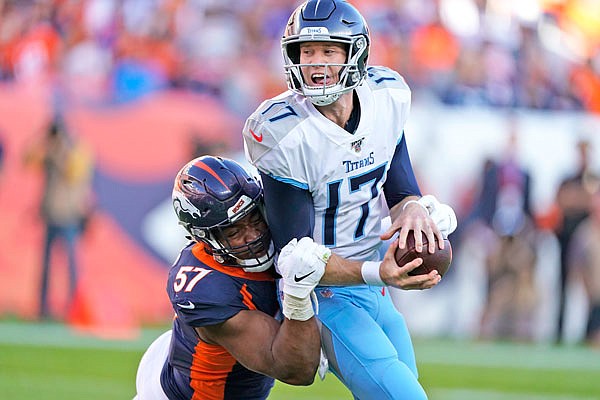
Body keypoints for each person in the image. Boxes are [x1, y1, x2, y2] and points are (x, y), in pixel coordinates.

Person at [242, 1, 457, 399]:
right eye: (307, 51)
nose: (316, 63)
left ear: (354, 53)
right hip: (326, 291)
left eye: (328, 51)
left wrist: (412, 209)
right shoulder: (285, 132)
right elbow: (297, 258)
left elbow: (400, 188)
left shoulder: (385, 98)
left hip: (375, 288)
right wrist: (378, 272)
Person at [134, 155, 330, 399]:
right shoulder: (208, 289)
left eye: (255, 218)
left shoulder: (277, 230)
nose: (253, 236)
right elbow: (297, 370)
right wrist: (298, 299)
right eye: (234, 231)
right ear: (205, 237)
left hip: (173, 356)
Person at [24, 116, 94, 320]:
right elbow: (27, 160)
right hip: (50, 214)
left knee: (72, 265)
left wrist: (64, 148)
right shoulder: (49, 150)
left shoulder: (78, 151)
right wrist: (42, 139)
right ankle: (42, 309)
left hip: (69, 215)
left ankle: (74, 308)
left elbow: (73, 173)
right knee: (46, 265)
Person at [554, 138, 599, 343]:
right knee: (564, 286)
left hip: (587, 238)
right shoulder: (569, 178)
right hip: (567, 239)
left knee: (591, 288)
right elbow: (562, 200)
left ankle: (589, 331)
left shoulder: (592, 178)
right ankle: (559, 331)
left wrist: (577, 198)